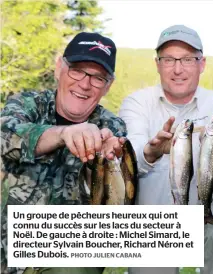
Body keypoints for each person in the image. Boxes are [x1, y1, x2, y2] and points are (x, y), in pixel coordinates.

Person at [118, 25, 213, 274]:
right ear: (157, 64)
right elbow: (134, 150)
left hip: (201, 208)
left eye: (187, 59)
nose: (177, 69)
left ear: (202, 64)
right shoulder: (136, 102)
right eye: (169, 59)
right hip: (152, 220)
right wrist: (151, 152)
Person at [0, 32, 127, 274]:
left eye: (98, 78)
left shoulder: (112, 126)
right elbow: (5, 135)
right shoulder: (27, 104)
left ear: (108, 86)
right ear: (60, 67)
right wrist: (62, 134)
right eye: (77, 70)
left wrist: (110, 160)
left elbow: (111, 202)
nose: (85, 83)